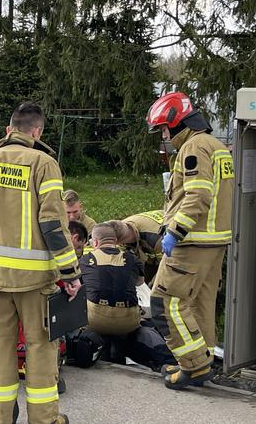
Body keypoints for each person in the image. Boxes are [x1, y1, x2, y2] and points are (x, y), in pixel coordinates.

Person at [0, 102, 80, 424]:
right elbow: (53, 224)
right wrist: (70, 272)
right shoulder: (43, 163)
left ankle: (1, 417)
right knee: (40, 347)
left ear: (8, 129)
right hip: (33, 280)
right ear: (36, 132)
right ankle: (44, 419)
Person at [146, 91, 233, 390]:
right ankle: (204, 359)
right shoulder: (217, 145)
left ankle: (193, 366)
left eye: (163, 129)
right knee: (198, 305)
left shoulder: (193, 147)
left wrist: (174, 232)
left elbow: (198, 195)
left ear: (176, 123)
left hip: (192, 242)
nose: (164, 135)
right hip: (215, 242)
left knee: (165, 302)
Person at [79, 223, 144, 337]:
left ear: (95, 242)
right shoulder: (133, 259)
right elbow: (140, 282)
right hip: (129, 323)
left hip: (94, 321)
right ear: (115, 240)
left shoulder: (85, 260)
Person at [112, 211, 164, 283]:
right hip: (152, 253)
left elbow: (167, 267)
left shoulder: (156, 239)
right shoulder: (119, 227)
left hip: (178, 248)